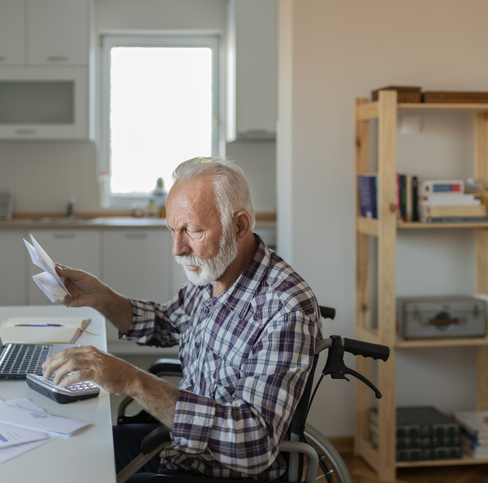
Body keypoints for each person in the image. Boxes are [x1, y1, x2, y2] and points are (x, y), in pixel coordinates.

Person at [42, 157, 323, 481]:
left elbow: (253, 442)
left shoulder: (284, 310)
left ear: (240, 226)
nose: (177, 248)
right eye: (173, 230)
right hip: (179, 447)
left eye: (193, 230)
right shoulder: (216, 272)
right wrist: (101, 297)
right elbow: (164, 323)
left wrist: (132, 380)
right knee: (68, 451)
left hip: (221, 472)